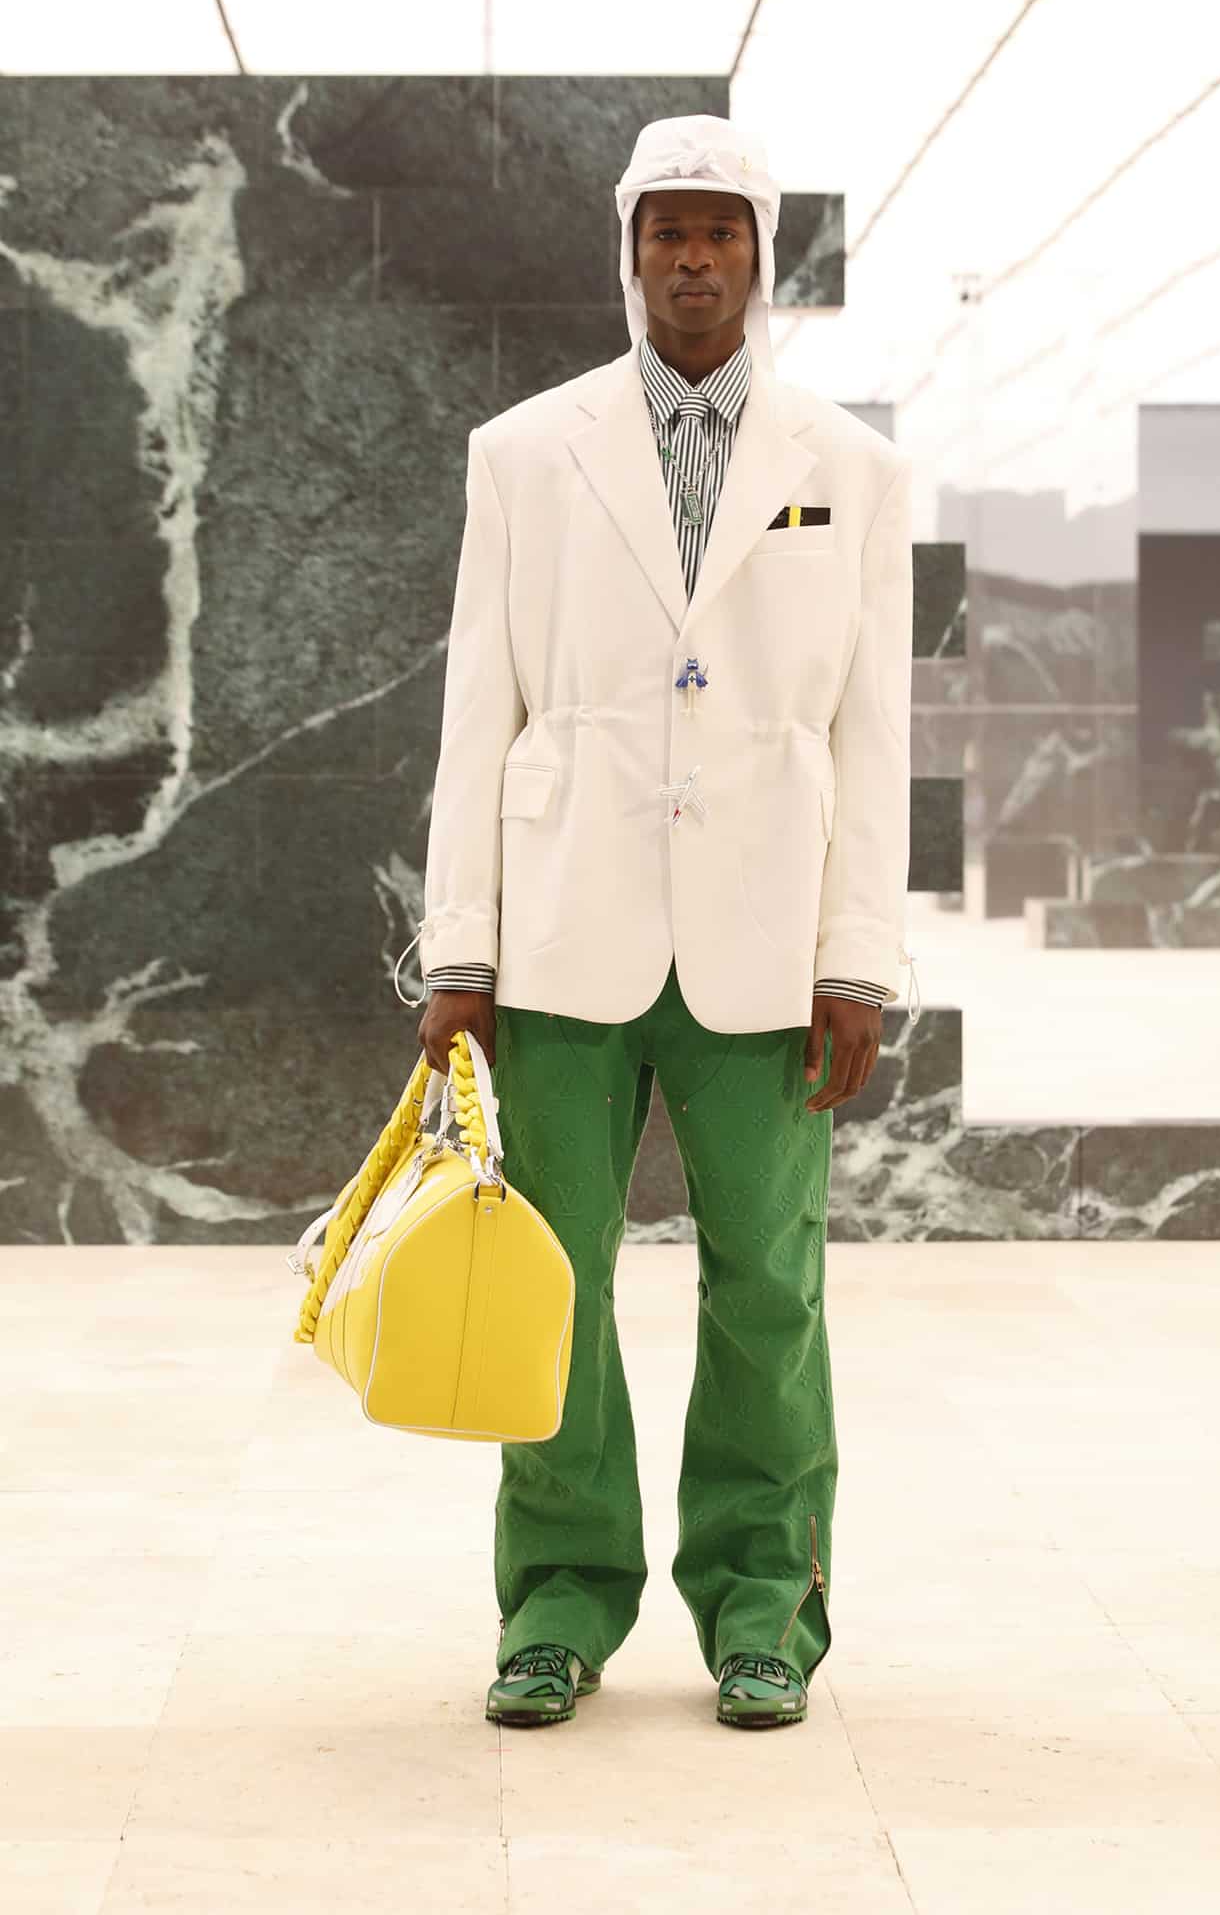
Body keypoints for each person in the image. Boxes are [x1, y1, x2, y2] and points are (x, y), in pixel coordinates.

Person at [400, 113, 917, 1730]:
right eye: (665, 233)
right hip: (563, 932)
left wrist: (859, 958)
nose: (693, 259)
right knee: (549, 1279)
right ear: (628, 253)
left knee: (770, 1283)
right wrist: (459, 952)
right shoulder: (523, 451)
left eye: (722, 233)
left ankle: (764, 1607)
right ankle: (557, 1604)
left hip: (769, 942)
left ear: (763, 257)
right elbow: (476, 711)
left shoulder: (854, 469)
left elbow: (874, 733)